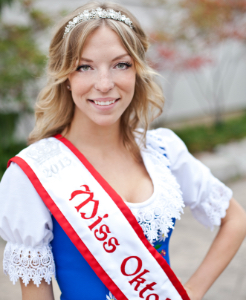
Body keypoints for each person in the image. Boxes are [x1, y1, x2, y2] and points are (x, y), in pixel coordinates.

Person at [0, 2, 246, 300]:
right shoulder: (33, 172)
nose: (104, 84)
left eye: (121, 64)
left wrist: (193, 290)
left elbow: (235, 219)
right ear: (65, 77)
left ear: (137, 71)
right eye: (84, 66)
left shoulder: (163, 150)